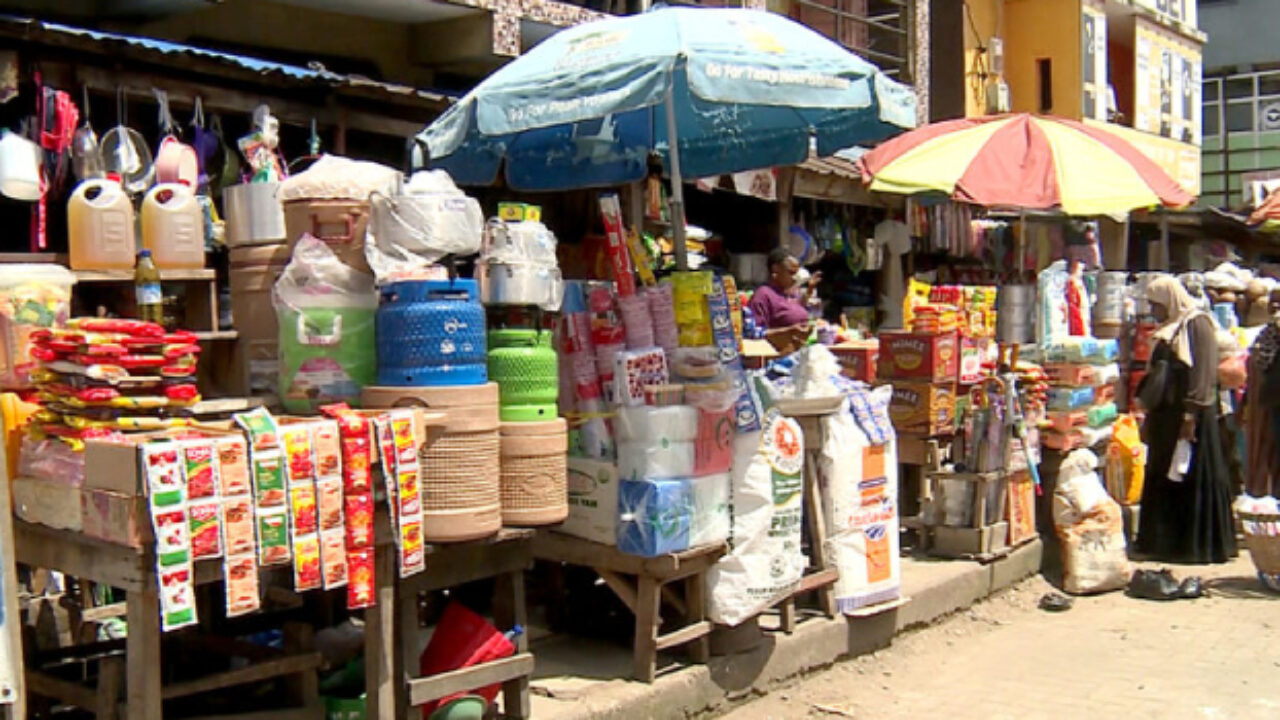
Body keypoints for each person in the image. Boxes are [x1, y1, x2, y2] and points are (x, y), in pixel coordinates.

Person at [1134, 276, 1237, 564]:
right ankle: (1165, 543)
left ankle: (1196, 546)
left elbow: (1203, 373)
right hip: (1166, 418)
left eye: (1157, 304)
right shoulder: (1171, 328)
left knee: (1193, 478)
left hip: (1191, 417)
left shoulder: (1198, 323)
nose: (1154, 310)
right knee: (1165, 477)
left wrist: (1191, 414)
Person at [1244, 288, 1280, 498]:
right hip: (1269, 401)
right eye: (1272, 303)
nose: (1275, 307)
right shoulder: (1267, 332)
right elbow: (1259, 361)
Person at [749, 248, 820, 354]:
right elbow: (753, 335)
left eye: (797, 273)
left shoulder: (791, 294)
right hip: (779, 361)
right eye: (791, 273)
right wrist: (787, 332)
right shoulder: (763, 295)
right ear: (775, 270)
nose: (796, 278)